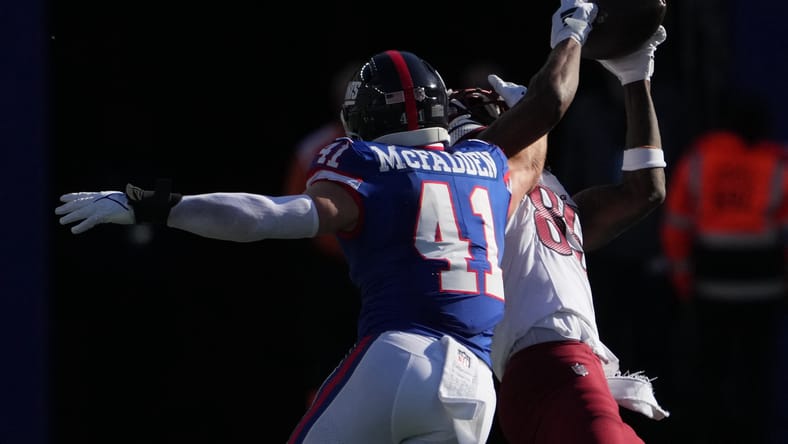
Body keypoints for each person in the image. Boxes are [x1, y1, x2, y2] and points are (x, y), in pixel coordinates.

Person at [56, 48, 514, 443]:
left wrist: (157, 206)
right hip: (475, 382)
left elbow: (267, 216)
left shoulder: (365, 161)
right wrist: (525, 100)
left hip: (402, 353)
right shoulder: (489, 162)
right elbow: (537, 134)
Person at [449, 18, 671, 444]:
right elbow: (549, 101)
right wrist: (571, 27)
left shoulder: (550, 195)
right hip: (551, 371)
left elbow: (645, 192)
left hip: (563, 376)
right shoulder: (478, 183)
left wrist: (636, 77)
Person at [660, 89, 788, 444]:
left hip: (709, 287)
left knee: (709, 373)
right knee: (755, 376)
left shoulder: (702, 157)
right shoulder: (777, 162)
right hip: (764, 289)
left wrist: (683, 278)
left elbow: (676, 225)